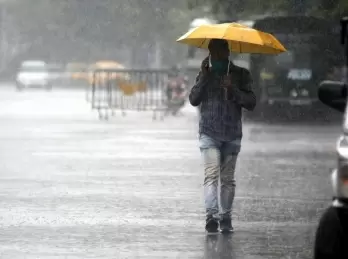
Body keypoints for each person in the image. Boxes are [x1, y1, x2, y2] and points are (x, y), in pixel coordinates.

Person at [189, 39, 256, 233]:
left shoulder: (241, 74)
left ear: (228, 52)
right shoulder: (205, 74)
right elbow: (193, 100)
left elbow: (251, 102)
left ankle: (225, 217)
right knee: (211, 176)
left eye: (220, 52)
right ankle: (211, 216)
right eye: (213, 53)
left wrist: (232, 89)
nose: (216, 56)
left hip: (232, 134)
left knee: (227, 178)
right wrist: (204, 77)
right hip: (209, 132)